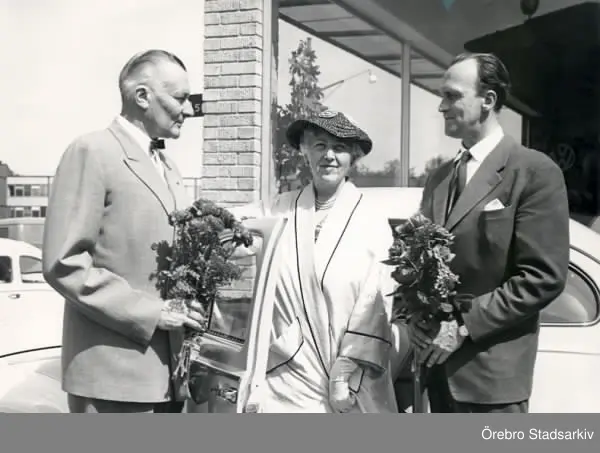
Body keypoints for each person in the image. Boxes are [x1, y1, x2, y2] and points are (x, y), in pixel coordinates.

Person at [42, 49, 201, 413]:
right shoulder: (92, 151)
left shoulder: (169, 167)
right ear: (142, 96)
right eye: (180, 99)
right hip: (112, 379)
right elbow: (63, 263)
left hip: (170, 379)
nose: (189, 110)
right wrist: (151, 312)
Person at [412, 52, 570, 413]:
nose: (441, 106)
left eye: (452, 96)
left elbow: (542, 277)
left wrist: (462, 326)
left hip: (490, 385)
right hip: (435, 377)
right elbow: (419, 264)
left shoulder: (533, 171)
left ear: (488, 100)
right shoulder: (438, 178)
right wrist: (414, 318)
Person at [226, 110, 401, 413]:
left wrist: (349, 364)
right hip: (286, 374)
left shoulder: (372, 221)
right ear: (305, 152)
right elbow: (230, 228)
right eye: (320, 146)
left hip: (349, 379)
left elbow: (378, 298)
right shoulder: (279, 208)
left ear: (353, 157)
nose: (329, 156)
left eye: (340, 148)